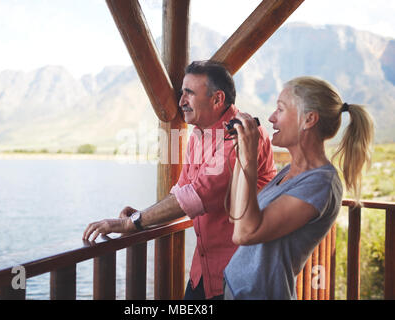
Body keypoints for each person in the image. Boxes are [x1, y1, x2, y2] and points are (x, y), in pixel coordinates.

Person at [83, 60, 277, 300]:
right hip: (204, 273)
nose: (181, 101)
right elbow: (182, 191)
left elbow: (199, 194)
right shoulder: (198, 134)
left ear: (217, 99)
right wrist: (145, 215)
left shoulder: (242, 134)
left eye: (189, 93)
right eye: (181, 92)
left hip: (241, 277)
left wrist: (129, 224)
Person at [223, 76, 374, 299]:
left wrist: (250, 159)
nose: (271, 118)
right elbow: (237, 217)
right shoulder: (289, 172)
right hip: (236, 289)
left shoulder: (321, 184)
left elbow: (245, 234)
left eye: (280, 109)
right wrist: (242, 153)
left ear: (309, 119)